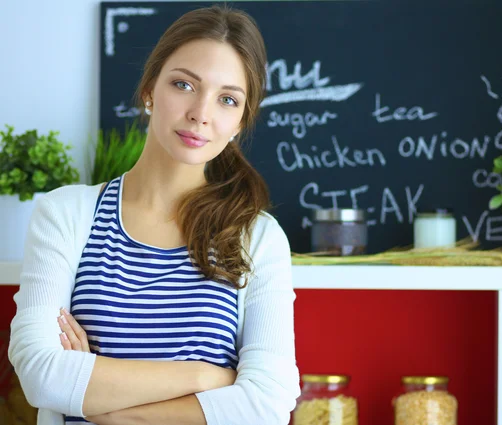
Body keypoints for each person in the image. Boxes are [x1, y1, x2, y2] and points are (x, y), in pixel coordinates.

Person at [8, 5, 300, 425]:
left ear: (239, 122)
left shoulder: (257, 237)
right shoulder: (66, 215)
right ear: (149, 90)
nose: (201, 112)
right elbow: (41, 375)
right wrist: (207, 376)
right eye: (184, 84)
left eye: (227, 99)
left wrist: (110, 408)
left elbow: (267, 403)